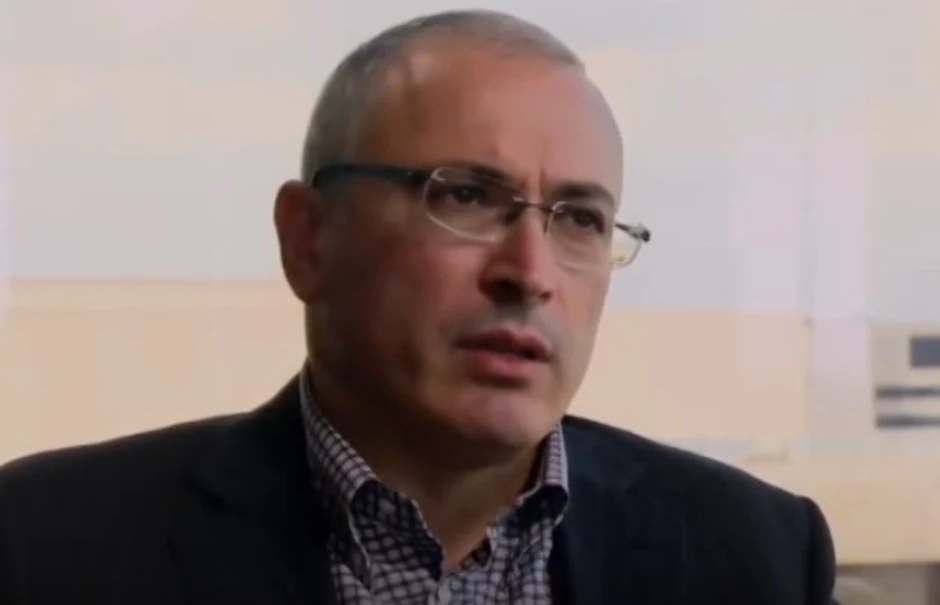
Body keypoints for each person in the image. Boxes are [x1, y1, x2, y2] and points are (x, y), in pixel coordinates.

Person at [0, 9, 837, 605]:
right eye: (467, 196)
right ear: (308, 239)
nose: (530, 272)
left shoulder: (756, 555)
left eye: (581, 218)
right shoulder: (46, 547)